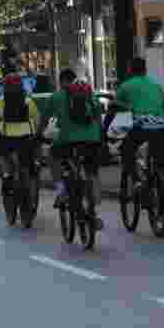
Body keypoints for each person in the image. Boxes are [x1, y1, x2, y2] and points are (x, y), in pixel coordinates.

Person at [41, 69, 104, 230]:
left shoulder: (56, 97)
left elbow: (45, 118)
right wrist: (99, 134)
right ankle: (94, 201)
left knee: (52, 157)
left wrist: (39, 134)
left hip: (66, 141)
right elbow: (98, 113)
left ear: (61, 81)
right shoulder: (88, 92)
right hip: (91, 139)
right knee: (92, 171)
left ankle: (61, 192)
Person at [114, 56, 164, 189]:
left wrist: (112, 133)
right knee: (160, 161)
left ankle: (136, 180)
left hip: (139, 125)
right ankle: (163, 190)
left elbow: (116, 109)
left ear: (130, 70)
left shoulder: (126, 86)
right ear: (145, 70)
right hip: (160, 125)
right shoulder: (156, 86)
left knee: (127, 150)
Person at [0, 72, 41, 188]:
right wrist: (36, 132)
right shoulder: (28, 101)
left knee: (0, 155)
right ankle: (34, 167)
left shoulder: (0, 102)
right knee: (32, 155)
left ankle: (6, 174)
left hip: (6, 138)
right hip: (26, 138)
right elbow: (37, 120)